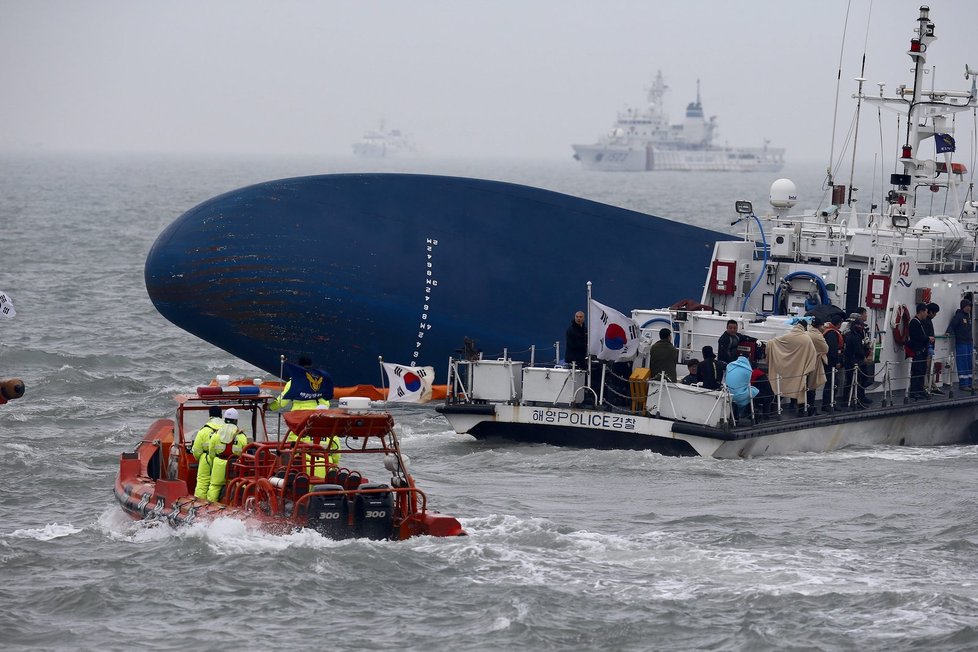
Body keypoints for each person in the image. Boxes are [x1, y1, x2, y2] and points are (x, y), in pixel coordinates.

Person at [196, 408, 250, 502]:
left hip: (218, 463)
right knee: (235, 486)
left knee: (214, 486)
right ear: (236, 421)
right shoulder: (241, 436)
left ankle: (210, 507)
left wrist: (214, 461)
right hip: (235, 465)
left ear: (224, 419)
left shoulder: (216, 435)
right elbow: (244, 452)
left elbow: (211, 451)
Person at [766, 319, 818, 415]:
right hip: (800, 370)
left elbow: (773, 343)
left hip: (786, 369)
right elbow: (812, 354)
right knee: (800, 389)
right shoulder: (806, 339)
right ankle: (801, 411)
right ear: (805, 327)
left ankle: (773, 409)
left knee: (781, 388)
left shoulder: (787, 335)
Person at [842, 312, 872, 407]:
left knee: (859, 380)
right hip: (854, 361)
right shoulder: (853, 335)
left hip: (853, 361)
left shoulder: (852, 333)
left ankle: (855, 398)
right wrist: (864, 355)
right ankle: (854, 400)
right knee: (854, 381)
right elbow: (857, 349)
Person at [945, 298, 973, 390]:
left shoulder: (968, 317)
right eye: (967, 306)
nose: (969, 308)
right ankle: (963, 384)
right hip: (961, 342)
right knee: (962, 362)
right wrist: (948, 332)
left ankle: (969, 382)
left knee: (969, 362)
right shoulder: (959, 316)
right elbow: (953, 325)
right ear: (963, 307)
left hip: (968, 342)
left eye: (970, 306)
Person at [805, 317, 828, 415]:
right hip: (813, 363)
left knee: (802, 385)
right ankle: (810, 409)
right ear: (819, 326)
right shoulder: (817, 336)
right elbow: (825, 349)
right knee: (812, 386)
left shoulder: (806, 333)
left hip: (803, 362)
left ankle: (800, 408)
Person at [821, 314, 845, 411]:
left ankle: (830, 402)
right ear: (838, 323)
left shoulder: (830, 332)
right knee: (831, 383)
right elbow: (833, 350)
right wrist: (837, 362)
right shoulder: (832, 334)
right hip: (831, 363)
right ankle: (827, 404)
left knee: (833, 383)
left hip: (829, 361)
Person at [908, 303, 931, 399]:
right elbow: (917, 337)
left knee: (922, 371)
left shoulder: (920, 322)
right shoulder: (914, 323)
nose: (926, 314)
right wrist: (927, 339)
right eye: (926, 312)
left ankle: (920, 389)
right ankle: (914, 391)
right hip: (917, 351)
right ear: (921, 311)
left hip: (922, 351)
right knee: (917, 371)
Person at [925, 302, 941, 393]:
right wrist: (929, 347)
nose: (935, 315)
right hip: (927, 348)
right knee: (927, 368)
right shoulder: (926, 321)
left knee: (930, 368)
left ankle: (932, 385)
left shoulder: (928, 321)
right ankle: (927, 386)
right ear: (930, 312)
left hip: (929, 348)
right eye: (935, 313)